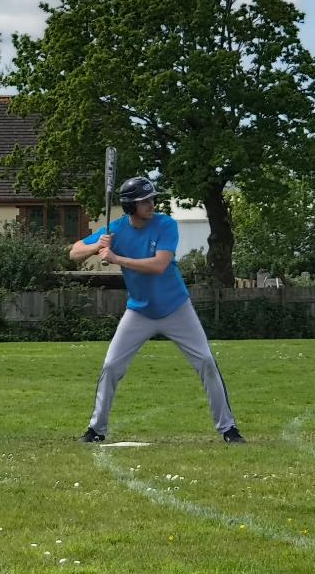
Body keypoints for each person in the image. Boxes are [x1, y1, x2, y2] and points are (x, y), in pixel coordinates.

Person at [69, 176, 245, 444]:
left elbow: (159, 265)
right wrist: (98, 247)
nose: (152, 204)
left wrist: (116, 258)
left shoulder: (166, 224)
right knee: (111, 366)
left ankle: (229, 429)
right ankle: (96, 430)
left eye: (152, 199)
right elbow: (73, 252)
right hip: (139, 312)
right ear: (131, 206)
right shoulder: (116, 229)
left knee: (206, 362)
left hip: (176, 308)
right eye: (145, 201)